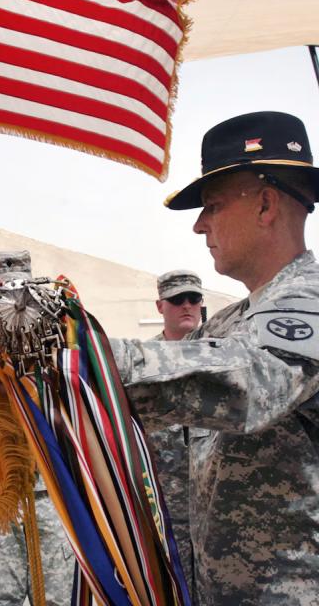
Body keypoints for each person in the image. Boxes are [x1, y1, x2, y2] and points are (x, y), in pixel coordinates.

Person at [108, 111, 319, 605]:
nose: (201, 225)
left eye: (213, 205)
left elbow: (246, 383)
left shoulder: (312, 301)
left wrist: (78, 351)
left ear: (266, 204)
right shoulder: (229, 322)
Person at [0, 251, 74, 606]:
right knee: (1, 596)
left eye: (21, 291)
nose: (13, 302)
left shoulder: (59, 339)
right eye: (2, 292)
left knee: (59, 595)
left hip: (50, 491)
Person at [149, 269, 205, 598]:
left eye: (194, 299)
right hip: (164, 510)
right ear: (160, 306)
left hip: (215, 509)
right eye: (177, 300)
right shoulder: (141, 362)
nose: (187, 306)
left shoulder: (220, 355)